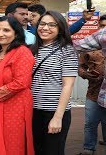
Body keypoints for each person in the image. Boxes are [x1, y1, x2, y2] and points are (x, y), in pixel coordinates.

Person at [0, 16, 35, 155]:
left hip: (16, 105)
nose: (0, 34)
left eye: (6, 30)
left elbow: (22, 82)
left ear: (16, 32)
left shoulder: (22, 52)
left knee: (12, 143)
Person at [31, 11, 78, 155]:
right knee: (36, 150)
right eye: (43, 24)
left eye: (52, 25)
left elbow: (67, 85)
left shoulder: (67, 50)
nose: (45, 28)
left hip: (54, 111)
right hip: (32, 109)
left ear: (60, 29)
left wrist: (58, 117)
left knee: (53, 151)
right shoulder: (33, 49)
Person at [75, 14, 106, 155]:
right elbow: (80, 67)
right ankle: (89, 149)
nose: (103, 30)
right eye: (102, 26)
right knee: (90, 123)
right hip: (94, 92)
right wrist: (86, 74)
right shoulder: (88, 47)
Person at [27, 3, 94, 35]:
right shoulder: (25, 30)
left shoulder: (53, 30)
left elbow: (69, 31)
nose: (30, 19)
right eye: (28, 15)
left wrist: (83, 19)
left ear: (43, 16)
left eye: (33, 16)